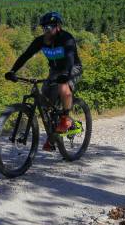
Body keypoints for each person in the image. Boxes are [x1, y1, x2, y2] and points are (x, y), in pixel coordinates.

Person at [5, 11, 82, 148]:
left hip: (72, 67)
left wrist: (67, 75)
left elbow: (70, 57)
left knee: (63, 86)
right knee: (46, 105)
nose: (46, 30)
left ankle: (66, 118)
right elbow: (25, 56)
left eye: (49, 27)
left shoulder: (66, 38)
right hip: (55, 71)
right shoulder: (40, 41)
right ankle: (52, 138)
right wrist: (12, 71)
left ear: (58, 26)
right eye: (44, 28)